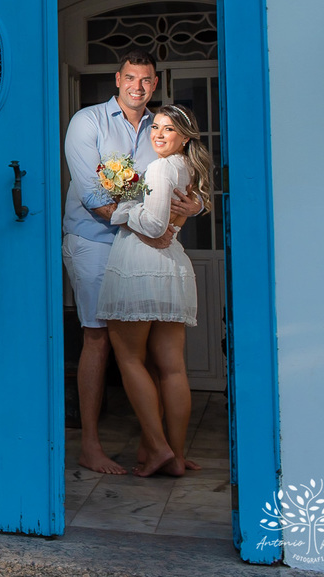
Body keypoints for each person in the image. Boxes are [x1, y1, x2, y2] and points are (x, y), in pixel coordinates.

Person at [62, 48, 200, 475]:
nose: (137, 87)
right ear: (117, 79)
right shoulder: (89, 122)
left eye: (146, 80)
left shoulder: (162, 128)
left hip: (143, 248)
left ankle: (156, 447)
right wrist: (154, 225)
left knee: (152, 345)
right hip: (95, 242)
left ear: (154, 83)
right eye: (130, 78)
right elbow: (95, 195)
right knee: (99, 338)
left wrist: (191, 208)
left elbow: (181, 188)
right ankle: (91, 446)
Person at [96, 104, 214, 477]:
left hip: (142, 264)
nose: (158, 134)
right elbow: (175, 215)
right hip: (171, 265)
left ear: (184, 137)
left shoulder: (163, 166)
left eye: (168, 130)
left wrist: (123, 209)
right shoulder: (186, 167)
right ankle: (173, 456)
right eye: (156, 127)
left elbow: (152, 224)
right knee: (172, 368)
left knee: (129, 357)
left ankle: (160, 448)